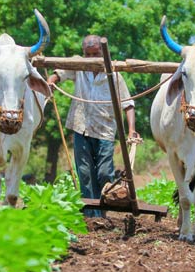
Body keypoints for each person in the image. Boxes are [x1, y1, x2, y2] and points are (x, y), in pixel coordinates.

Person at [47, 35, 140, 217]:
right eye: (87, 55)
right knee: (84, 172)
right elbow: (60, 72)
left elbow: (128, 104)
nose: (91, 59)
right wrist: (51, 81)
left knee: (104, 173)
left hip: (105, 130)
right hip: (81, 126)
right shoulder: (79, 67)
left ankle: (102, 213)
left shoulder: (115, 75)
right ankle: (90, 216)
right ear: (83, 54)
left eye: (95, 54)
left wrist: (131, 130)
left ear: (104, 53)